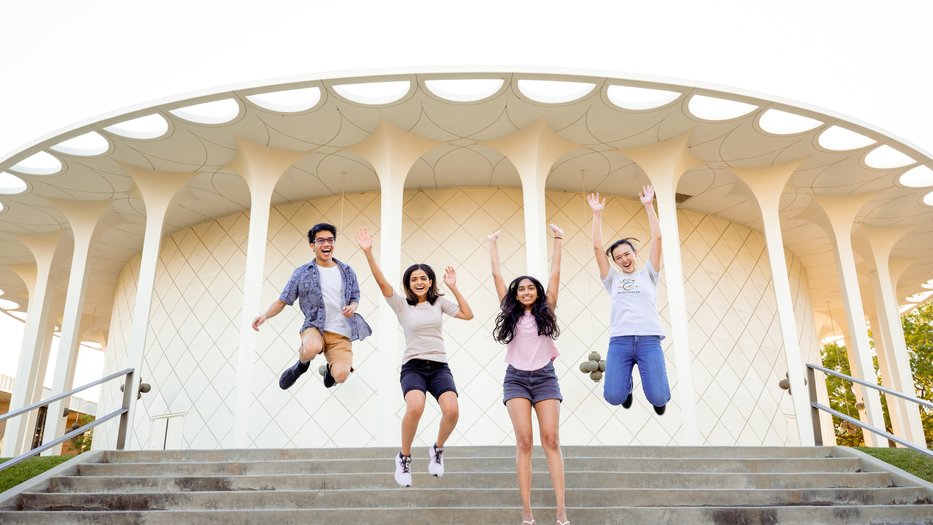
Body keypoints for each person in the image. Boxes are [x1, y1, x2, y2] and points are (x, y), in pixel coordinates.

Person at [355, 227, 474, 488]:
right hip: (414, 367)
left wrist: (453, 287)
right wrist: (368, 252)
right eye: (413, 279)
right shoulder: (401, 305)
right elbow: (382, 282)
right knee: (415, 407)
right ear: (408, 284)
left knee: (452, 411)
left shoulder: (439, 302)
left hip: (440, 366)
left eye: (424, 278)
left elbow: (468, 314)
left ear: (431, 281)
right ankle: (404, 457)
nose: (419, 282)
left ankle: (438, 449)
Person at [489, 225, 569, 525]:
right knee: (524, 441)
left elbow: (556, 274)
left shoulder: (547, 308)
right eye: (521, 288)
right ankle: (527, 512)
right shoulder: (509, 311)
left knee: (551, 439)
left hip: (546, 377)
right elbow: (497, 276)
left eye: (530, 288)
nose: (525, 292)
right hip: (516, 380)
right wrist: (492, 244)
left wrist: (558, 240)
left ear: (537, 292)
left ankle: (561, 509)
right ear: (516, 293)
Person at [253, 222, 371, 390]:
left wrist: (353, 306)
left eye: (330, 240)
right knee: (311, 348)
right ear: (312, 245)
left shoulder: (347, 271)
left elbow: (355, 297)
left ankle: (329, 371)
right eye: (321, 240)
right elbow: (282, 300)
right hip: (315, 327)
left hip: (341, 332)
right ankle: (300, 366)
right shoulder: (302, 273)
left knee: (341, 375)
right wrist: (264, 315)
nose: (326, 244)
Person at [587, 187, 670, 415]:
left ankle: (656, 393)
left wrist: (649, 206)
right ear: (614, 262)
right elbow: (596, 247)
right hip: (620, 341)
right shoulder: (612, 279)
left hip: (648, 340)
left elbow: (658, 237)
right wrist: (597, 215)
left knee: (660, 397)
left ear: (634, 253)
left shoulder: (649, 274)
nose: (623, 259)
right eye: (618, 257)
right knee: (614, 397)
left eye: (627, 254)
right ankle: (627, 387)